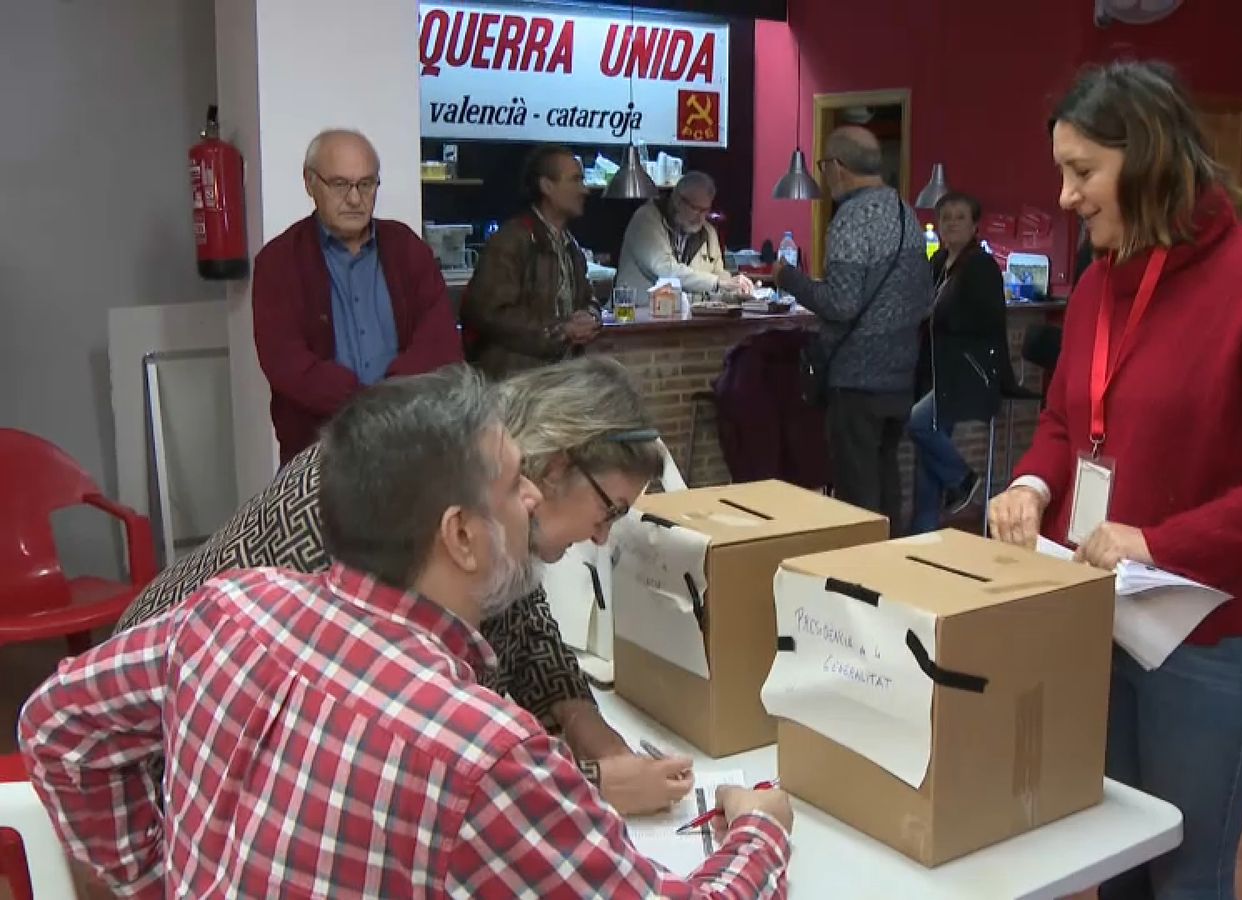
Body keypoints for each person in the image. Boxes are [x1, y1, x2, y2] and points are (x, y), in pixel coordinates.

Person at [21, 365, 793, 897]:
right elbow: (442, 770)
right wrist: (760, 831)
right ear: (466, 531)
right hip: (184, 746)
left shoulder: (249, 599)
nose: (534, 507)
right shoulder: (475, 751)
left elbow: (52, 720)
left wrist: (168, 882)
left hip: (215, 728)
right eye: (518, 486)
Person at [987, 61, 1242, 899]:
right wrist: (1033, 490)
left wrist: (1163, 541)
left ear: (1150, 159)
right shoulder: (1095, 285)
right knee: (1113, 860)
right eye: (1062, 172)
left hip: (1214, 637)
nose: (1066, 196)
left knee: (1186, 873)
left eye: (1083, 171)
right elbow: (1064, 423)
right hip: (1100, 613)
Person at [112, 356, 693, 816]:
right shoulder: (387, 495)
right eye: (610, 509)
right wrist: (590, 786)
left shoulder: (474, 481)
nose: (601, 537)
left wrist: (585, 724)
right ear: (559, 464)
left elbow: (522, 609)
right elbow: (396, 752)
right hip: (168, 745)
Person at [252, 128, 464, 465]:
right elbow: (285, 361)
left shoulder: (408, 248)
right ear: (310, 183)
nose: (355, 198)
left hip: (411, 439)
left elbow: (440, 344)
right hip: (320, 451)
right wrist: (365, 404)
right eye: (340, 184)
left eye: (366, 184)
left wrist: (392, 401)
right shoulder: (279, 261)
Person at [774, 125, 931, 533]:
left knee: (857, 495)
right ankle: (891, 572)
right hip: (899, 377)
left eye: (824, 165)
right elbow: (922, 295)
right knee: (887, 484)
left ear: (839, 168)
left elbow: (841, 304)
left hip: (857, 379)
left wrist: (787, 278)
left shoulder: (852, 219)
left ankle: (859, 583)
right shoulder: (905, 213)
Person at [907, 191, 1008, 533]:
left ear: (975, 225)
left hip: (967, 375)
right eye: (945, 216)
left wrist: (940, 315)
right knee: (925, 464)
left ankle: (964, 480)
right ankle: (922, 536)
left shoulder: (980, 266)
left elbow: (987, 320)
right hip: (936, 372)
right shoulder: (937, 263)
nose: (951, 223)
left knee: (919, 423)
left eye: (959, 217)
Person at [462, 144, 603, 378]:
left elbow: (589, 299)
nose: (584, 190)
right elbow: (489, 313)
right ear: (547, 186)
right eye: (575, 180)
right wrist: (561, 329)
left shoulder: (571, 246)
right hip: (516, 384)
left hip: (558, 380)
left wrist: (591, 317)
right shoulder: (512, 240)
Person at [615, 171, 755, 298]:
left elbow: (719, 277)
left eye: (705, 210)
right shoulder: (646, 219)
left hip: (686, 320)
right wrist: (718, 282)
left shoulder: (708, 232)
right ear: (677, 200)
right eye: (695, 209)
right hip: (635, 317)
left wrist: (737, 292)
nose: (700, 217)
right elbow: (665, 270)